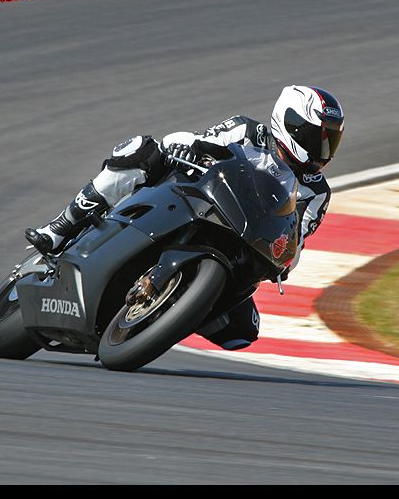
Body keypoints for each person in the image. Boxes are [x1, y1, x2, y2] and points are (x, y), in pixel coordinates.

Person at [25, 85, 344, 350]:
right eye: (319, 137)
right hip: (197, 200)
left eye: (331, 140)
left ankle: (165, 314)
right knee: (140, 150)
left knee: (241, 331)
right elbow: (194, 140)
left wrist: (285, 253)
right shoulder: (246, 131)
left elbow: (297, 238)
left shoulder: (316, 192)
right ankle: (60, 227)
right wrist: (188, 147)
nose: (324, 148)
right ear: (291, 125)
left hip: (244, 242)